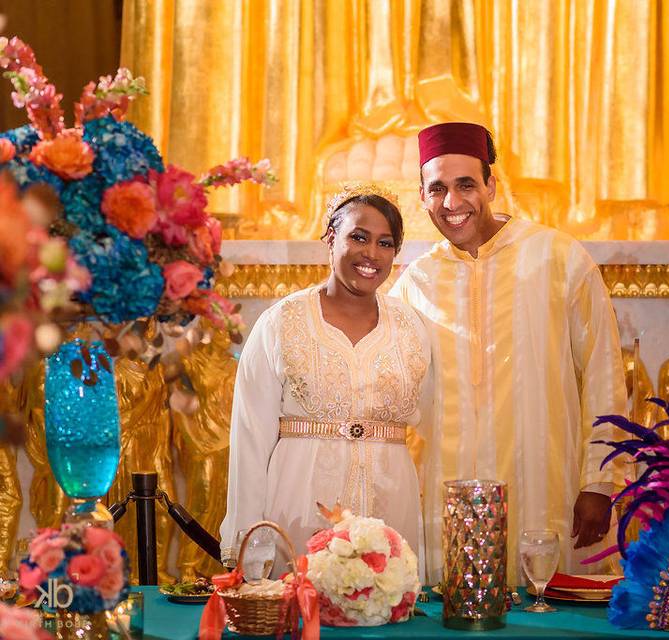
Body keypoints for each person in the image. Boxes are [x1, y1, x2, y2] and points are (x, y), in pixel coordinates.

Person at [391, 122, 627, 583]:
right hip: (446, 494)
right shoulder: (413, 284)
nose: (452, 203)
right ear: (421, 197)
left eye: (466, 185)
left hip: (545, 483)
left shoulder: (557, 258)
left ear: (492, 185)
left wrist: (601, 481)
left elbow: (604, 374)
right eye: (437, 188)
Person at [220, 185, 431, 567]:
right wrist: (250, 542)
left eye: (386, 243)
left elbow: (440, 425)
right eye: (358, 237)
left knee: (386, 618)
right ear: (331, 239)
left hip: (390, 514)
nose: (371, 254)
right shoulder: (282, 323)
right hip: (299, 512)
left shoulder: (411, 328)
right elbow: (250, 439)